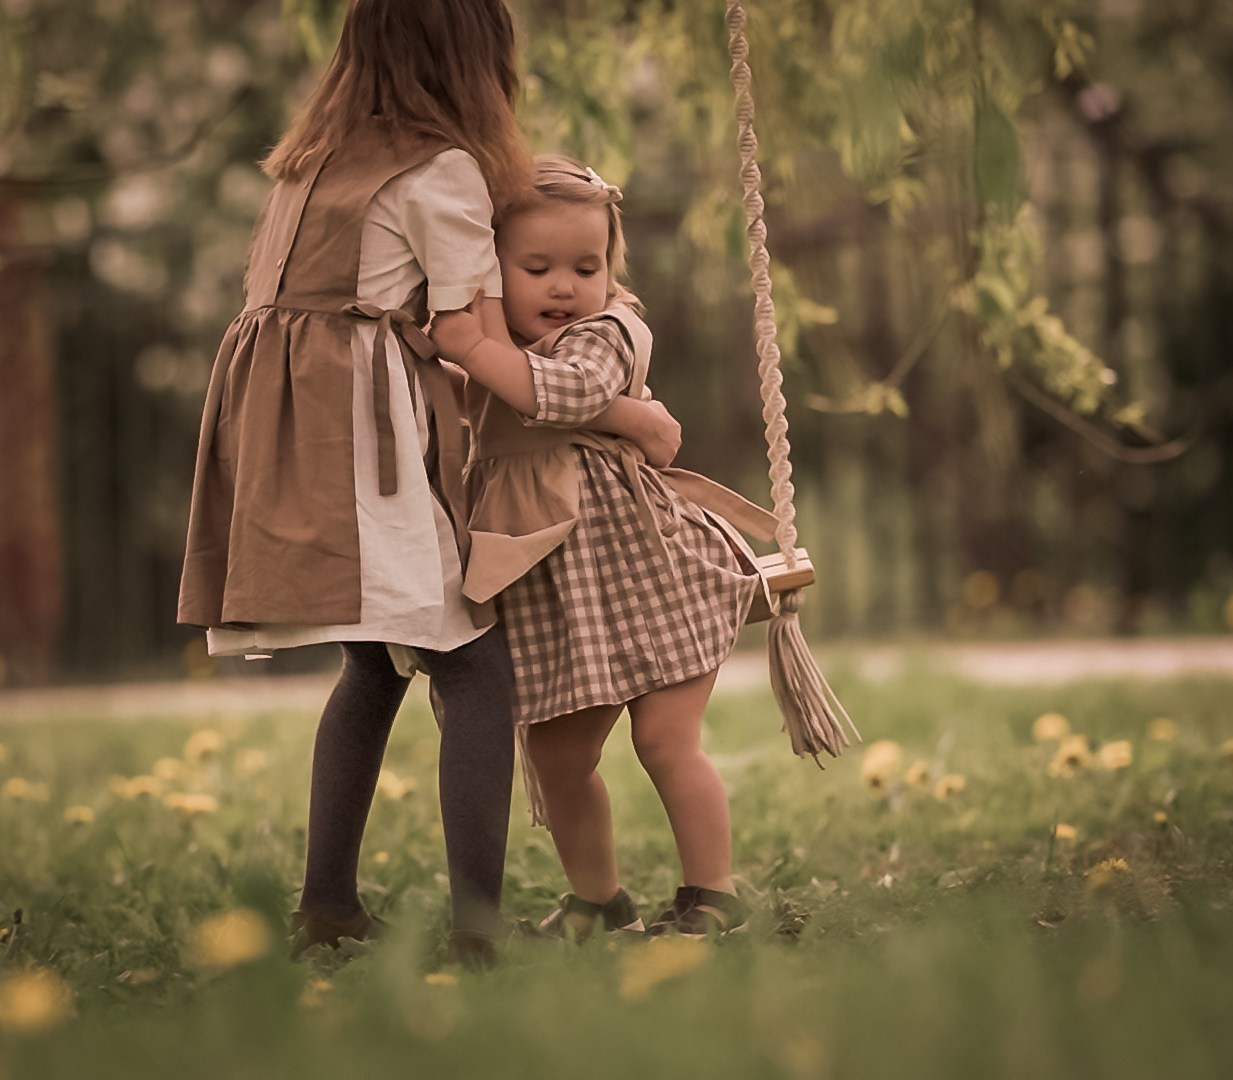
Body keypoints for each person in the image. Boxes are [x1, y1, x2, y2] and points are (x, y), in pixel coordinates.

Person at [177, 3, 680, 968]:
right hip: (355, 434)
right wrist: (619, 411)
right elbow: (464, 336)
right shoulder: (441, 172)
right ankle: (477, 932)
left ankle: (326, 904)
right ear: (474, 61)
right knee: (473, 669)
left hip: (289, 421)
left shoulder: (306, 164)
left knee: (370, 664)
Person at [429, 156, 775, 940]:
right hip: (559, 606)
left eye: (586, 267)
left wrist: (472, 351)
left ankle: (711, 893)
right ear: (491, 274)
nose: (563, 286)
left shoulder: (608, 333)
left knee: (663, 740)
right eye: (537, 267)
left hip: (651, 579)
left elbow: (567, 394)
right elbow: (475, 398)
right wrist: (445, 355)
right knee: (556, 762)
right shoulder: (497, 356)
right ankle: (598, 899)